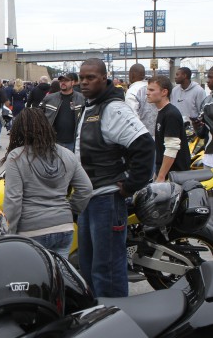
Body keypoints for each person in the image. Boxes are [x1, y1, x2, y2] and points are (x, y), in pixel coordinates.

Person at [75, 58, 154, 298]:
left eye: (91, 78)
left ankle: (116, 320)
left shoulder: (113, 108)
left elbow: (144, 145)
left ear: (104, 78)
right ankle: (94, 318)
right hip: (89, 198)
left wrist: (130, 185)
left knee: (106, 268)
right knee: (87, 265)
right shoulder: (90, 106)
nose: (84, 82)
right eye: (82, 78)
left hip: (107, 200)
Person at [1, 108, 92, 259]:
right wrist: (69, 211)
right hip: (63, 228)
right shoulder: (67, 154)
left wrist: (8, 235)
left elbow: (13, 201)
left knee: (33, 280)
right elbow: (86, 189)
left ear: (19, 131)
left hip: (30, 230)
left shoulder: (16, 157)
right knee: (58, 278)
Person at [146, 76, 190, 181]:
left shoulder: (171, 114)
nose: (147, 93)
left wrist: (161, 176)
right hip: (167, 174)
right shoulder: (162, 111)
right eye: (147, 89)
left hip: (175, 175)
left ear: (164, 92)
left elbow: (172, 148)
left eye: (151, 90)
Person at [40, 72, 85, 152]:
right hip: (54, 141)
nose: (63, 83)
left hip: (73, 142)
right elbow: (38, 115)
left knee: (71, 164)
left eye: (66, 80)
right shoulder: (49, 98)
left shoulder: (81, 99)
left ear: (73, 82)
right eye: (61, 81)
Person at [125, 63, 157, 137]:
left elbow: (132, 117)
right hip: (157, 135)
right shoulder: (152, 88)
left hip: (142, 137)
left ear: (132, 75)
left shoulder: (132, 91)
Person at [194, 67, 213, 169]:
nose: (208, 80)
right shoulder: (207, 101)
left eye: (211, 77)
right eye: (208, 77)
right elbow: (202, 133)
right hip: (210, 155)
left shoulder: (207, 103)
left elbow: (201, 133)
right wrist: (196, 125)